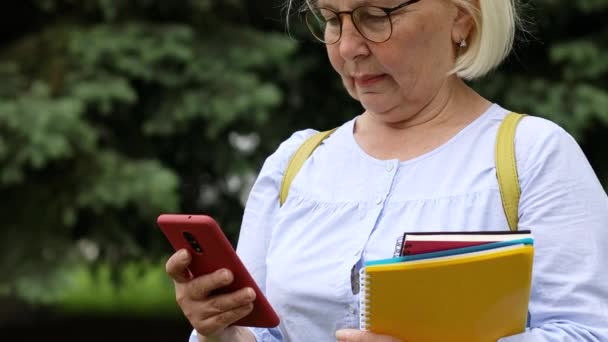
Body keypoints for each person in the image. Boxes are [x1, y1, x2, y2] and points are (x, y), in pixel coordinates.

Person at [165, 0, 608, 341]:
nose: (348, 47)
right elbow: (266, 335)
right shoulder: (294, 164)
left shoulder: (533, 156)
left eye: (376, 16)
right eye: (332, 19)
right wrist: (218, 329)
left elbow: (590, 332)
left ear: (462, 19)